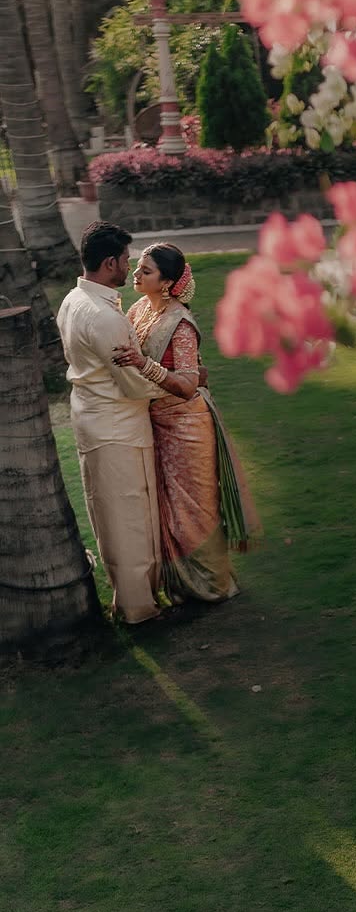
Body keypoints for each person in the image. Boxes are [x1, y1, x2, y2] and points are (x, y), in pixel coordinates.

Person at [112, 242, 260, 603]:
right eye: (138, 267)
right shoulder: (138, 309)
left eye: (146, 271)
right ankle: (182, 587)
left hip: (186, 426)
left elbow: (189, 384)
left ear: (166, 282)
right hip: (155, 420)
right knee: (165, 504)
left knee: (192, 509)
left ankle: (212, 586)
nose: (136, 273)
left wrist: (143, 365)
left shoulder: (180, 324)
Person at [56, 221, 164, 624]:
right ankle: (139, 609)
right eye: (124, 262)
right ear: (108, 262)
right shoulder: (103, 316)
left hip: (93, 421)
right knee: (130, 522)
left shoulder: (72, 300)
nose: (129, 269)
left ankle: (130, 602)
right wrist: (182, 384)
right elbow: (135, 383)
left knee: (111, 518)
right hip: (118, 429)